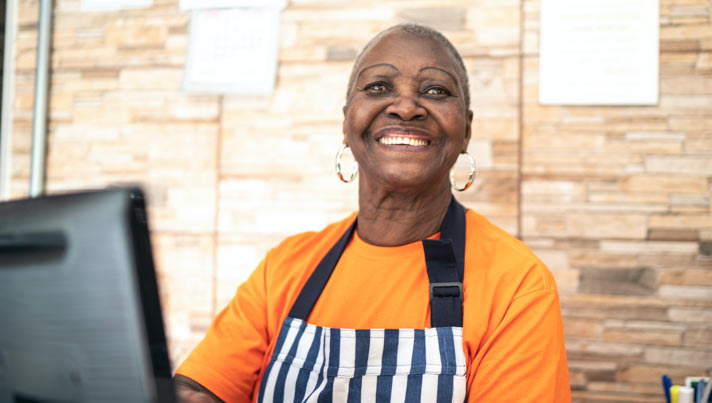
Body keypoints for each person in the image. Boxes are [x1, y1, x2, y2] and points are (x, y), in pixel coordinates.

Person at [175, 23, 571, 403]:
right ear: (348, 122)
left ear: (465, 130)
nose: (406, 107)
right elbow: (200, 389)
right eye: (379, 87)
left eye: (435, 91)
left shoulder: (517, 285)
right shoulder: (284, 268)